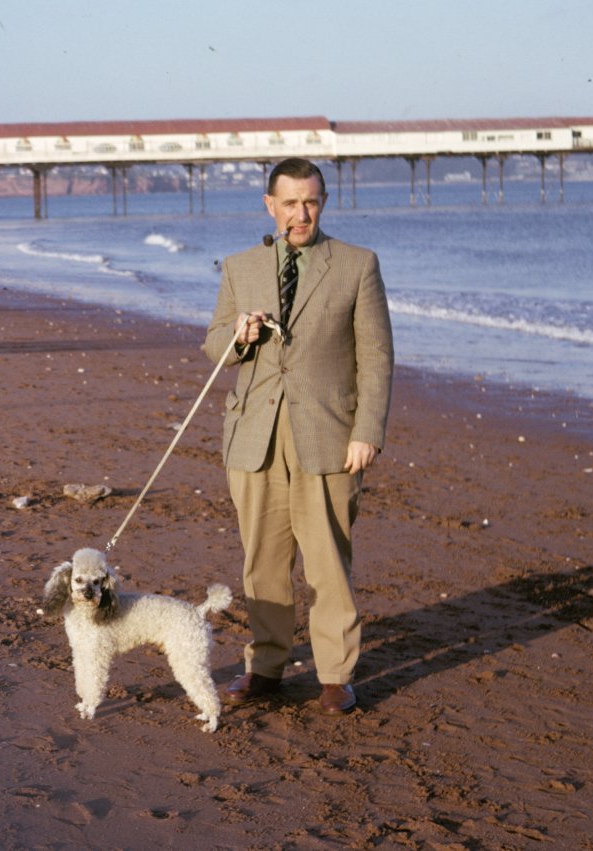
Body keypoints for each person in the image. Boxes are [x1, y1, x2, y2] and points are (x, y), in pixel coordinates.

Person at [202, 157, 394, 716]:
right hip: (254, 438)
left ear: (324, 202)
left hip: (330, 437)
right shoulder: (240, 267)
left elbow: (377, 357)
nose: (300, 214)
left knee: (328, 563)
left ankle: (335, 676)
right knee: (262, 563)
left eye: (310, 202)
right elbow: (214, 345)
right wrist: (240, 335)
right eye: (290, 203)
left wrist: (367, 432)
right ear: (270, 205)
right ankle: (265, 668)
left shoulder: (358, 264)